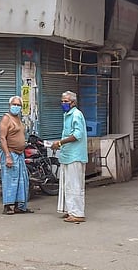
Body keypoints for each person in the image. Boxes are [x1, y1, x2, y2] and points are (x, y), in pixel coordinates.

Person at [51, 91, 88, 223]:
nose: (63, 103)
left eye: (66, 101)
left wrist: (60, 143)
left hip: (75, 155)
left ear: (73, 102)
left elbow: (77, 135)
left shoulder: (76, 115)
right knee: (67, 184)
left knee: (75, 185)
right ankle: (70, 210)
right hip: (67, 155)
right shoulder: (67, 115)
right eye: (62, 101)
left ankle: (78, 213)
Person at [0, 96, 34, 215]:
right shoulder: (6, 119)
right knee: (10, 180)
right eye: (14, 104)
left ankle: (20, 206)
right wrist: (7, 156)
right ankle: (8, 206)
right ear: (10, 105)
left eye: (19, 105)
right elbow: (2, 138)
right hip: (10, 153)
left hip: (19, 154)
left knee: (22, 180)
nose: (16, 107)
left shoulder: (18, 119)